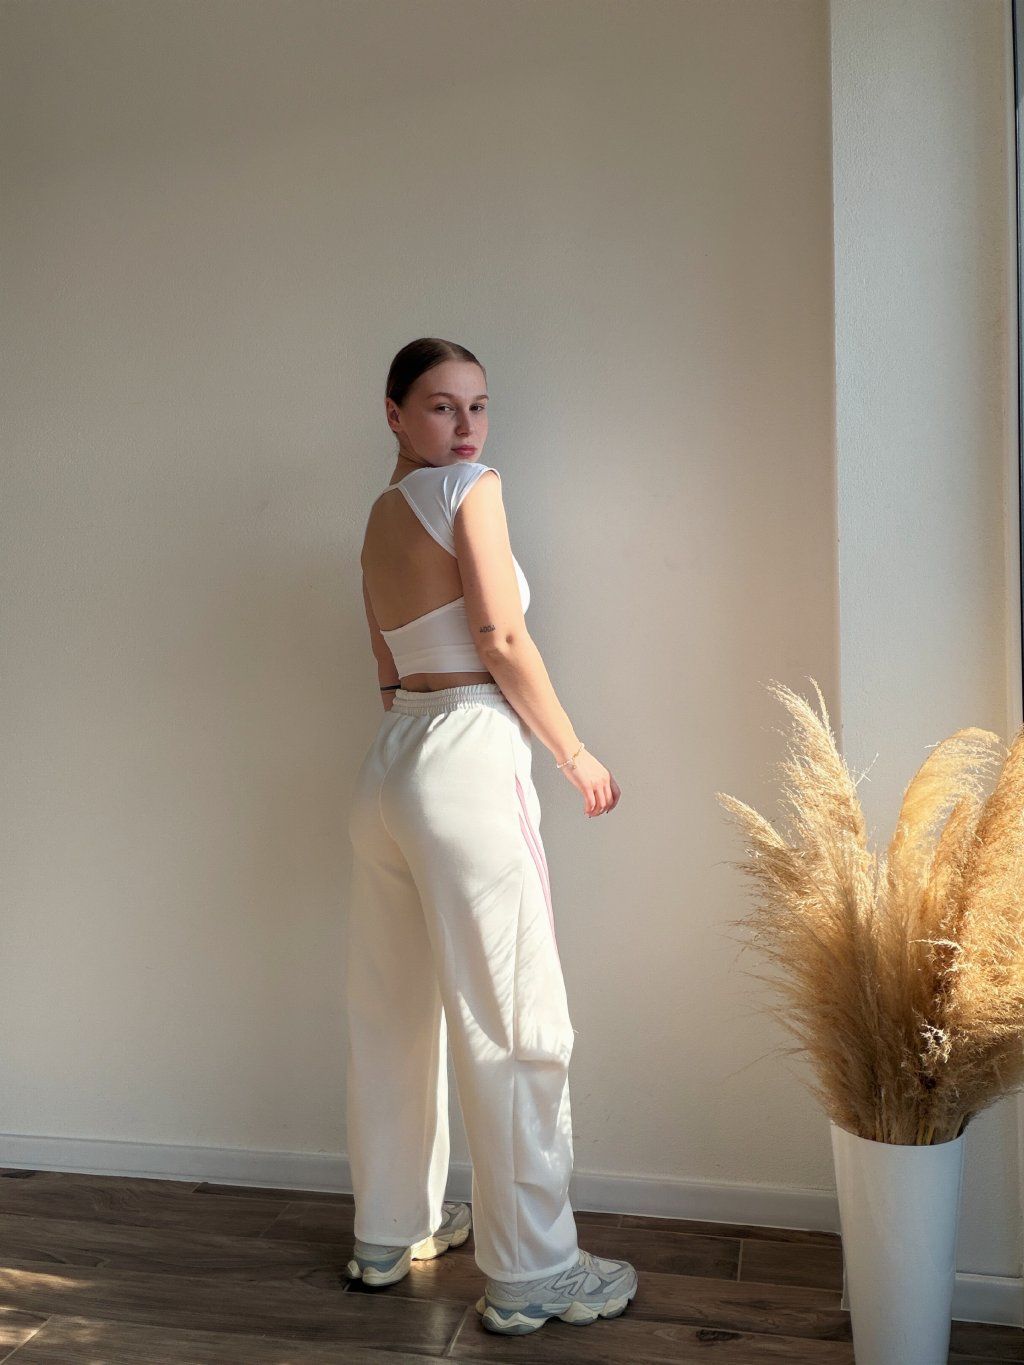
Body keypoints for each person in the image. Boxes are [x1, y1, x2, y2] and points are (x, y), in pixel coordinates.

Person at [343, 336, 638, 1335]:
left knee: (391, 1009)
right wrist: (572, 751)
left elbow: (385, 666)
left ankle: (389, 1231)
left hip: (391, 761)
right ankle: (533, 1272)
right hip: (467, 750)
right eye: (441, 406)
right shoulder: (471, 488)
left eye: (477, 406)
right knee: (515, 1022)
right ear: (394, 413)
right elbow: (501, 635)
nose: (465, 427)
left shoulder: (379, 515)